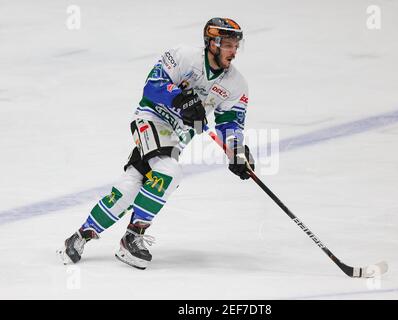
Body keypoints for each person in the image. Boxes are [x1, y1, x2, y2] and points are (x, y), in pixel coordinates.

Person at [58, 17, 255, 270]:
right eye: (228, 45)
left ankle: (80, 236)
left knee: (132, 185)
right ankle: (133, 236)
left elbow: (230, 125)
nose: (234, 51)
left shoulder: (236, 85)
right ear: (212, 44)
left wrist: (237, 151)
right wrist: (180, 99)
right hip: (151, 119)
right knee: (168, 171)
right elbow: (152, 86)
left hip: (178, 137)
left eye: (236, 45)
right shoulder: (183, 56)